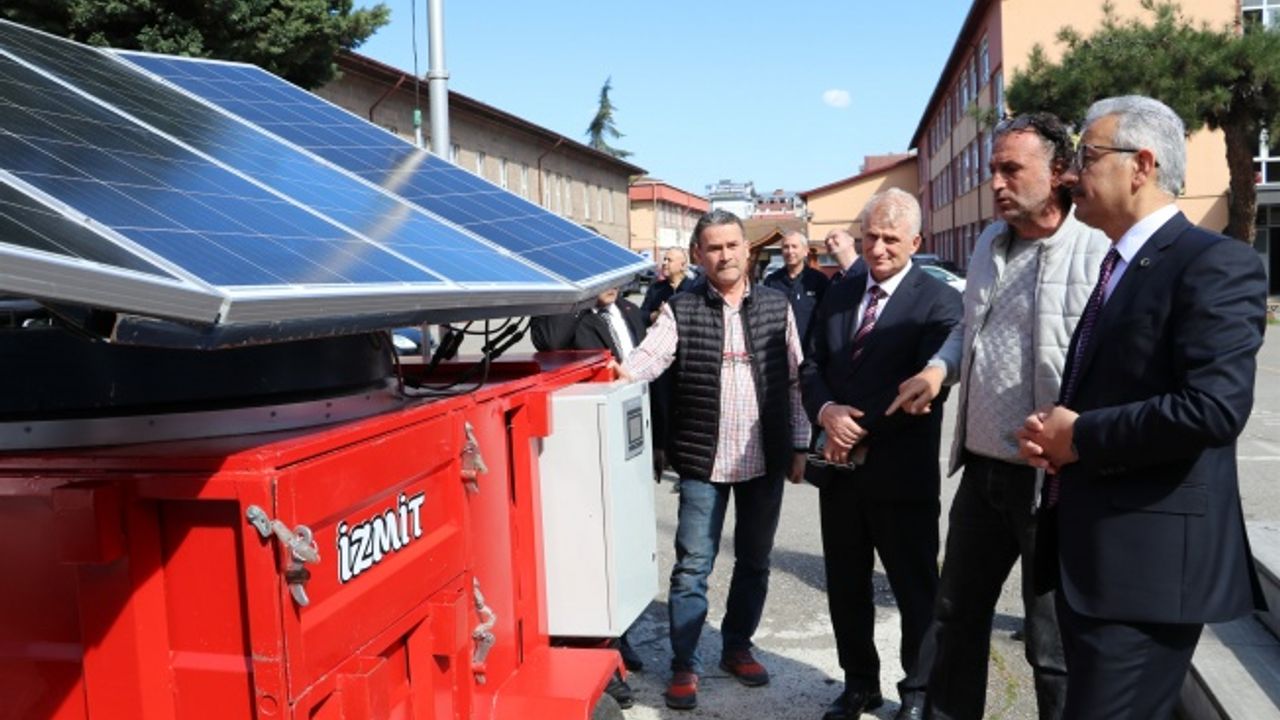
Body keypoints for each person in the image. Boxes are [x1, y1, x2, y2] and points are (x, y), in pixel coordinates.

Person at [1016, 95, 1268, 720]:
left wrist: (1084, 436)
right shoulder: (1120, 266)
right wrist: (1056, 437)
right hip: (1095, 560)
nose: (1071, 173)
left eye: (1088, 155)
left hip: (1146, 571)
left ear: (1142, 164)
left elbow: (1213, 408)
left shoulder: (1215, 263)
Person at [889, 113, 1108, 720]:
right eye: (993, 170)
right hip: (982, 471)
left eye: (1012, 169)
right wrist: (938, 370)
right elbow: (969, 327)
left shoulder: (1094, 248)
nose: (997, 183)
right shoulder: (989, 243)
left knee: (1051, 643)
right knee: (955, 618)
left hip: (1051, 480)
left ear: (1059, 172)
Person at [615, 209, 810, 711]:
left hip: (764, 460)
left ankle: (737, 648)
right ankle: (685, 663)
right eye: (713, 248)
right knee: (693, 567)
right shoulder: (681, 309)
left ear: (747, 250)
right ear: (698, 255)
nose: (723, 255)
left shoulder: (776, 305)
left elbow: (794, 378)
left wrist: (800, 445)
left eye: (731, 246)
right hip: (703, 463)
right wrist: (617, 375)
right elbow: (649, 358)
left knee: (754, 562)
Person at [800, 189, 962, 720]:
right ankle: (859, 686)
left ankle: (917, 694)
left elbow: (917, 388)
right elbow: (812, 364)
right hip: (841, 477)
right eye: (870, 236)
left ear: (916, 241)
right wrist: (825, 411)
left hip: (901, 474)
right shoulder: (841, 293)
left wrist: (855, 427)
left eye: (891, 238)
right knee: (846, 589)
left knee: (916, 593)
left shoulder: (938, 304)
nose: (878, 247)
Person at [764, 230, 829, 342]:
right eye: (786, 247)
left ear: (805, 251)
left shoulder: (819, 280)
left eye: (794, 246)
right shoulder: (772, 281)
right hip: (780, 348)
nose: (790, 251)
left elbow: (826, 317)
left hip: (811, 349)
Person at [640, 247, 694, 324]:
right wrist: (656, 315)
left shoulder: (693, 288)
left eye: (669, 260)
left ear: (683, 265)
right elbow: (641, 315)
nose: (665, 263)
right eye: (664, 259)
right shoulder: (656, 288)